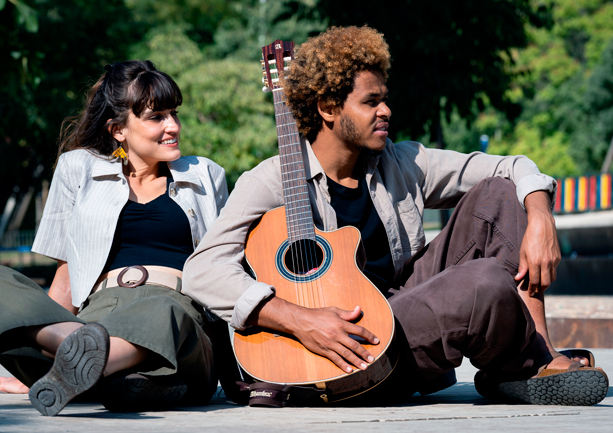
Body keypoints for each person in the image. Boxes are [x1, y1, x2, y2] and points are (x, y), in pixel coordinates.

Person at [183, 26, 609, 406]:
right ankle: (521, 366)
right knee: (483, 282)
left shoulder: (402, 161)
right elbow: (202, 270)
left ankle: (534, 360)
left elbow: (512, 167)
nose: (386, 111)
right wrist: (299, 319)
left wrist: (540, 219)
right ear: (329, 108)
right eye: (371, 102)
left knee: (500, 194)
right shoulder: (272, 180)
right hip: (353, 348)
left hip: (405, 308)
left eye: (385, 99)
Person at [0, 60, 228, 415]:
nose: (173, 127)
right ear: (118, 129)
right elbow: (66, 276)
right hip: (95, 316)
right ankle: (86, 361)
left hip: (176, 318)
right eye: (157, 117)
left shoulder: (205, 174)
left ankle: (84, 365)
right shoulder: (78, 168)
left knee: (163, 309)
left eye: (174, 114)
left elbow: (226, 268)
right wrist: (64, 341)